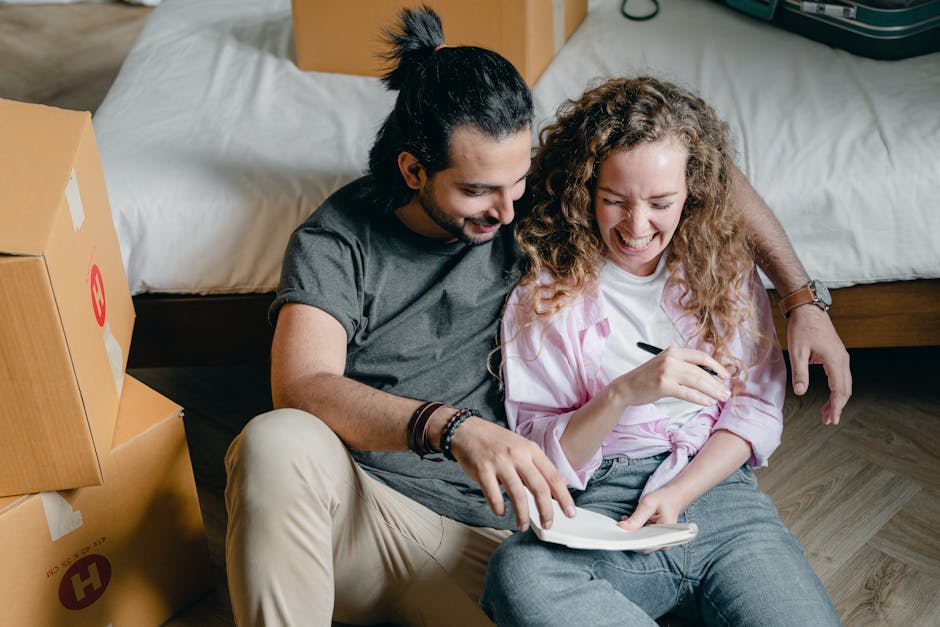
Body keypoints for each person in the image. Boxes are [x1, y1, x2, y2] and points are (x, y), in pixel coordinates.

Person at [224, 8, 849, 626]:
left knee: (535, 583)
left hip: (512, 535)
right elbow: (301, 387)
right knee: (276, 440)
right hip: (379, 517)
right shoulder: (338, 242)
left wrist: (800, 298)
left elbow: (690, 161)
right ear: (413, 170)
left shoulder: (531, 192)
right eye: (476, 191)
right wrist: (454, 429)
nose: (505, 211)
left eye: (518, 181)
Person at [480, 76, 840, 626]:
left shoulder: (721, 270)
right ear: (584, 189)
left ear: (691, 192)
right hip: (600, 506)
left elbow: (756, 410)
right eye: (614, 200)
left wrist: (677, 493)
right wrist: (624, 393)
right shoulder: (544, 298)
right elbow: (539, 456)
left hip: (718, 494)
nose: (637, 225)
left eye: (661, 203)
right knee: (519, 573)